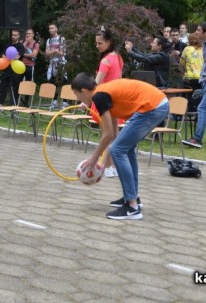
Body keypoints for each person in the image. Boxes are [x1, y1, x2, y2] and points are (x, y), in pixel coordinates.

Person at [71, 73, 169, 220]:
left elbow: (108, 135)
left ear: (84, 91)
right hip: (157, 104)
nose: (78, 99)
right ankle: (132, 197)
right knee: (125, 148)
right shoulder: (104, 93)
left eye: (77, 94)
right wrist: (103, 164)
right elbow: (114, 133)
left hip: (152, 107)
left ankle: (132, 208)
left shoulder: (99, 96)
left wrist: (94, 159)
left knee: (118, 149)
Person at [94, 26, 124, 178]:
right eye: (96, 43)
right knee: (114, 134)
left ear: (109, 42)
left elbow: (96, 83)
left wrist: (86, 100)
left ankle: (109, 166)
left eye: (100, 43)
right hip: (115, 99)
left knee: (107, 134)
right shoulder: (117, 57)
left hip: (105, 100)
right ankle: (112, 166)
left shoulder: (106, 60)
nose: (97, 46)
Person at [0, 29, 25, 110]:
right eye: (12, 35)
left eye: (15, 35)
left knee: (15, 87)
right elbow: (3, 56)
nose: (13, 36)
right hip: (7, 69)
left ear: (18, 36)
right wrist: (11, 57)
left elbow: (18, 57)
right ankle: (0, 104)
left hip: (16, 70)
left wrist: (10, 57)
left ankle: (14, 104)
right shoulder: (8, 45)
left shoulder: (20, 46)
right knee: (3, 86)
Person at [180, 32, 204, 111]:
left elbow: (182, 63)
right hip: (201, 77)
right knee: (200, 95)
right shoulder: (203, 49)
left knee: (189, 95)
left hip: (189, 77)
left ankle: (189, 110)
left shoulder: (187, 49)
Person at [45, 23, 67, 109]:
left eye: (52, 28)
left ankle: (65, 101)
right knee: (53, 81)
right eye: (49, 28)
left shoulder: (61, 39)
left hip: (61, 62)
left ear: (56, 29)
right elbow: (47, 53)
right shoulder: (49, 40)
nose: (51, 30)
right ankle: (54, 101)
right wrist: (55, 51)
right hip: (52, 63)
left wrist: (54, 52)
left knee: (63, 81)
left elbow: (62, 52)